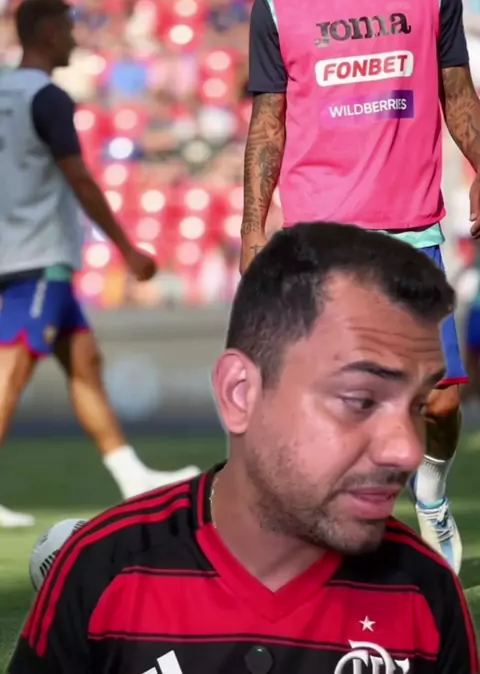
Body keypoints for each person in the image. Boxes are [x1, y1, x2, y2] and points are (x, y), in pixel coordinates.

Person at [8, 223, 478, 674]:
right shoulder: (102, 569)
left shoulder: (427, 594)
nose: (406, 451)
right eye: (358, 400)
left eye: (415, 406)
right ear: (241, 394)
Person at [241, 0, 480, 574]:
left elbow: (457, 92)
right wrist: (253, 228)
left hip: (412, 233)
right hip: (321, 241)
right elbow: (269, 123)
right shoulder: (277, 3)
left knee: (440, 405)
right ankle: (334, 546)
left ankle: (430, 492)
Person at [0, 0, 199, 528]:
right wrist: (127, 249)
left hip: (13, 250)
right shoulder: (48, 97)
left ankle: (130, 475)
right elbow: (80, 178)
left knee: (85, 366)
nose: (74, 38)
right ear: (47, 33)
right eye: (67, 29)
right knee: (12, 369)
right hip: (39, 254)